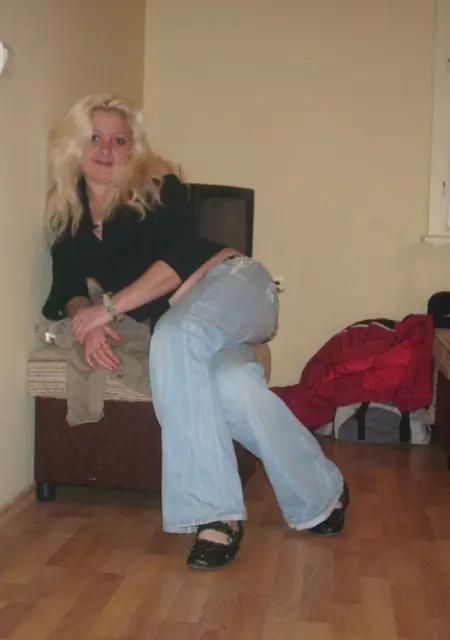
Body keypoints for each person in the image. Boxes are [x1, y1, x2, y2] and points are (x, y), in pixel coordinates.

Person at [42, 94, 349, 571]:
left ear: (132, 150)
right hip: (196, 322)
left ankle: (215, 514)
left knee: (174, 335)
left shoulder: (152, 185)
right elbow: (66, 288)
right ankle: (323, 493)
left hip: (236, 285)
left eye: (119, 140)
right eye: (94, 137)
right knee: (231, 386)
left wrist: (108, 309)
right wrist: (85, 324)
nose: (106, 149)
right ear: (72, 146)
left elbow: (180, 258)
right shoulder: (68, 219)